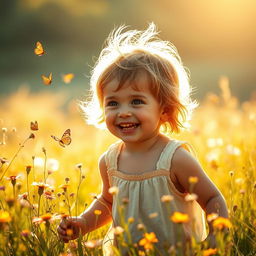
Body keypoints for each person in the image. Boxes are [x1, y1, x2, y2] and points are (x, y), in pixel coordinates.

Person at [57, 23, 229, 255]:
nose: (123, 112)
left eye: (136, 101)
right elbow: (108, 203)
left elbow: (212, 198)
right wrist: (83, 223)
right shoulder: (110, 161)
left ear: (165, 110)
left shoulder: (175, 159)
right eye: (113, 103)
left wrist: (217, 235)